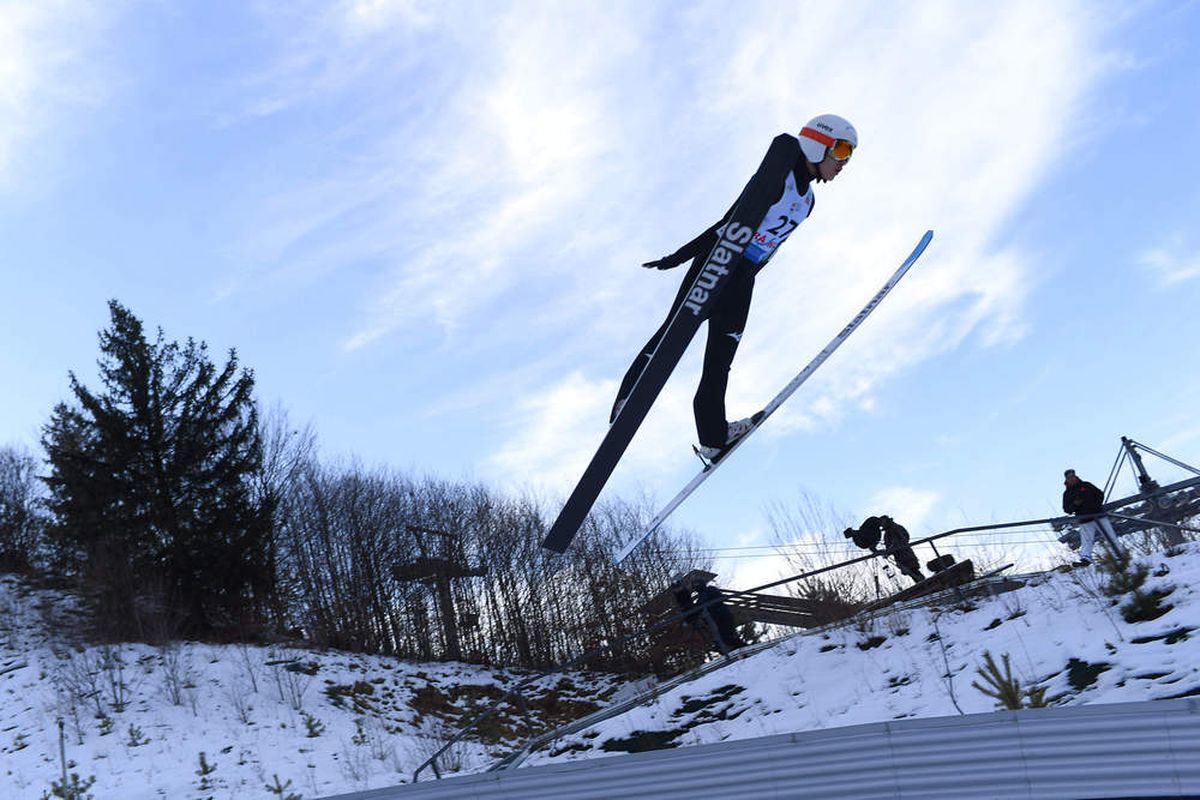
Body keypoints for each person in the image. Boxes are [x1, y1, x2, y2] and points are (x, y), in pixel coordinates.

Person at [611, 115, 858, 459]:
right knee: (675, 333)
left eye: (850, 155)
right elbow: (728, 222)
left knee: (720, 362)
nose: (844, 163)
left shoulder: (807, 203)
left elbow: (773, 246)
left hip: (744, 278)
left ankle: (713, 437)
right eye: (842, 150)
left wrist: (749, 277)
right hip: (720, 262)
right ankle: (628, 399)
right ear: (818, 143)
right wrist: (681, 256)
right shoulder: (780, 174)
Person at [1061, 469, 1119, 566]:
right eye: (1069, 477)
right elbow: (1067, 509)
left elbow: (1100, 494)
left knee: (1110, 535)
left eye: (1073, 476)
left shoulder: (1086, 485)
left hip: (1098, 515)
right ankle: (1085, 559)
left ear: (1076, 476)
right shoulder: (1067, 494)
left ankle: (1119, 554)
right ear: (1066, 479)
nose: (1072, 478)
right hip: (1084, 519)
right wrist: (1075, 505)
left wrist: (1096, 505)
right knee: (1086, 540)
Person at [879, 515, 924, 584]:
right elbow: (889, 546)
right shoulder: (887, 533)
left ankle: (924, 583)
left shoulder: (896, 527)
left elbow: (904, 538)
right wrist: (887, 552)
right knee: (910, 572)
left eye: (882, 522)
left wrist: (894, 547)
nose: (881, 524)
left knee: (913, 570)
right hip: (899, 556)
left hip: (905, 553)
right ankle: (922, 584)